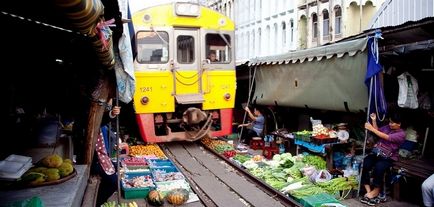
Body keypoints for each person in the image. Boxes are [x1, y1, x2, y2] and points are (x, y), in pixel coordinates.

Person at [360, 112, 406, 206]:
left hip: (388, 157)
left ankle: (376, 190)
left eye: (393, 123)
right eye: (390, 122)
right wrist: (374, 120)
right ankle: (369, 191)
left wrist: (371, 128)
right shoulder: (387, 127)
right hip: (377, 153)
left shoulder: (401, 134)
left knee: (379, 167)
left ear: (399, 123)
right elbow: (378, 131)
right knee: (365, 163)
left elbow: (386, 137)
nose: (390, 124)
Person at [92, 99, 121, 206]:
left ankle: (101, 198)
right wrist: (111, 113)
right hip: (95, 160)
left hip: (102, 156)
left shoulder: (102, 122)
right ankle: (97, 203)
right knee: (113, 182)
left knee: (117, 166)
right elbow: (101, 120)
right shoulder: (92, 118)